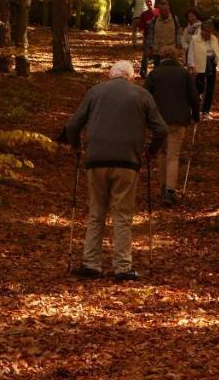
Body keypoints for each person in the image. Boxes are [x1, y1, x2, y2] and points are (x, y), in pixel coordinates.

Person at [63, 60, 168, 282]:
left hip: (96, 161)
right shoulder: (141, 94)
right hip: (127, 163)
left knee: (96, 213)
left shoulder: (96, 91)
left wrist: (76, 147)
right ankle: (122, 266)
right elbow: (161, 129)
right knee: (122, 215)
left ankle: (91, 263)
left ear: (111, 75)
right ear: (130, 77)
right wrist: (151, 152)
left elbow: (73, 126)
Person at [145, 47, 200, 205]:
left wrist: (148, 119)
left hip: (159, 122)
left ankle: (163, 187)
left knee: (163, 154)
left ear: (161, 57)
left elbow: (145, 97)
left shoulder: (154, 74)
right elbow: (194, 98)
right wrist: (195, 116)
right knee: (173, 155)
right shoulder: (184, 74)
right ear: (175, 57)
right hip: (179, 120)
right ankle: (170, 190)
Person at [185, 20, 219, 116]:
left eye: (210, 32)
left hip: (211, 64)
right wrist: (192, 66)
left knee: (210, 88)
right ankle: (194, 110)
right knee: (199, 88)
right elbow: (190, 54)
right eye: (206, 32)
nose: (208, 34)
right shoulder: (195, 39)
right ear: (201, 30)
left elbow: (217, 51)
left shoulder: (214, 38)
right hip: (199, 64)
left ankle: (206, 111)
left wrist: (217, 60)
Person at [136, 0, 158, 75]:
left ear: (154, 2)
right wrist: (146, 23)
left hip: (158, 36)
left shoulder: (158, 12)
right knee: (146, 54)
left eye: (150, 1)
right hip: (147, 36)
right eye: (147, 1)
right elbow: (140, 27)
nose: (149, 3)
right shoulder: (144, 14)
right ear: (145, 3)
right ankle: (143, 71)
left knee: (157, 54)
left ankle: (157, 72)